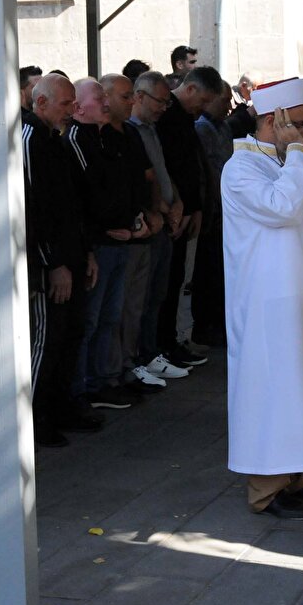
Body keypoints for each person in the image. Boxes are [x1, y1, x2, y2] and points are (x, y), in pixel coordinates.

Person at [222, 77, 303, 520]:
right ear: (274, 120)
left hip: (299, 300)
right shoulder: (241, 169)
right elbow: (283, 208)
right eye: (297, 123)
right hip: (266, 307)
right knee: (274, 392)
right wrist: (300, 154)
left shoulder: (287, 158)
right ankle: (266, 491)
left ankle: (295, 478)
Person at [23, 74, 103, 446]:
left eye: (74, 103)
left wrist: (84, 252)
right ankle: (35, 418)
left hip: (70, 254)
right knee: (46, 342)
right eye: (64, 104)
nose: (72, 111)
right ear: (40, 104)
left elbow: (75, 204)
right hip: (49, 263)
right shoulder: (29, 140)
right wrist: (53, 263)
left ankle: (60, 406)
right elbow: (32, 210)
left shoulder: (57, 141)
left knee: (71, 335)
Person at [65, 78, 146, 410]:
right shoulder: (74, 140)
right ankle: (82, 388)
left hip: (118, 240)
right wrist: (101, 232)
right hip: (98, 243)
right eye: (99, 98)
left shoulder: (107, 137)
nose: (106, 104)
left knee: (110, 317)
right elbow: (82, 196)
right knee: (90, 320)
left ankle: (103, 380)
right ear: (79, 107)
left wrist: (132, 220)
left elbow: (124, 185)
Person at [123, 71, 187, 387]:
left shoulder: (152, 129)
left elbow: (164, 173)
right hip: (150, 224)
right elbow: (145, 180)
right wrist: (162, 209)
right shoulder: (130, 131)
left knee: (158, 294)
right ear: (140, 96)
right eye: (161, 101)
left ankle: (151, 353)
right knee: (140, 298)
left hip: (164, 221)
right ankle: (135, 358)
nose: (164, 107)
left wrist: (177, 204)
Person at [156, 67, 220, 369]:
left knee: (178, 279)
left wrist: (196, 208)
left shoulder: (185, 119)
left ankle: (172, 341)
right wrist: (181, 206)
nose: (203, 108)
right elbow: (168, 168)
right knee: (167, 286)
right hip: (171, 213)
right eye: (203, 100)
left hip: (187, 211)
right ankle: (163, 345)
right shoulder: (168, 117)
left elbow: (192, 169)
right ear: (190, 89)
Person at [191, 79, 236, 346]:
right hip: (213, 210)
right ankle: (205, 324)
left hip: (226, 211)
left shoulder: (223, 128)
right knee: (208, 271)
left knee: (221, 271)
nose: (229, 106)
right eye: (225, 100)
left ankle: (219, 321)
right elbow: (209, 171)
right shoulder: (202, 129)